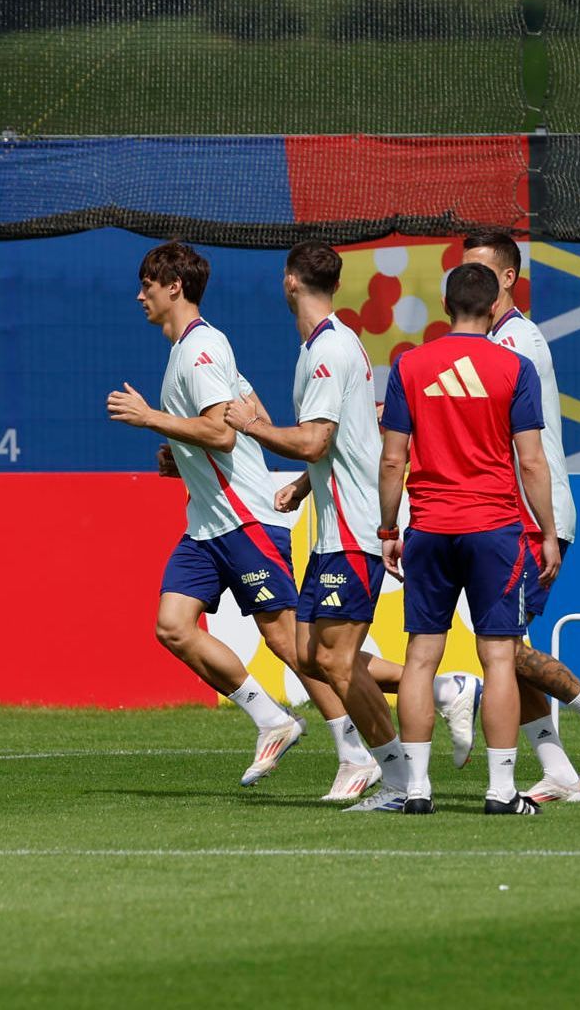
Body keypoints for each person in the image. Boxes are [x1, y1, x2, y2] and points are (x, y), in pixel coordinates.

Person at [107, 240, 335, 789]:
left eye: (147, 285)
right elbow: (245, 417)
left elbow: (222, 433)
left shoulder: (201, 347)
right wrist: (182, 458)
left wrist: (151, 418)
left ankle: (363, 747)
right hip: (209, 523)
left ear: (174, 287)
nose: (139, 296)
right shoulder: (190, 349)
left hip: (243, 518)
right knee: (173, 626)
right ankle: (273, 720)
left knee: (293, 644)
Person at [220, 240, 401, 805]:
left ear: (289, 281)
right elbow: (345, 439)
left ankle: (399, 777)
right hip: (331, 529)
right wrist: (302, 486)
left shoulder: (327, 350)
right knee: (308, 653)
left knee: (335, 661)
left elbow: (315, 440)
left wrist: (250, 425)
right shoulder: (327, 344)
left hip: (351, 529)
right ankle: (438, 696)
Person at [466, 231, 580, 803]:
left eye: (481, 271)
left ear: (508, 278)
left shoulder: (516, 342)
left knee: (503, 650)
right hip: (504, 512)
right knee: (504, 650)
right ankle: (558, 771)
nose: (469, 281)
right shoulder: (493, 340)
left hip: (528, 513)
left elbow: (502, 435)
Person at [378, 262, 560, 815]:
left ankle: (416, 790)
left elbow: (392, 459)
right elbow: (532, 461)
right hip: (494, 529)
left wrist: (388, 529)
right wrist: (548, 532)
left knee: (420, 657)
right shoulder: (515, 366)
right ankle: (501, 792)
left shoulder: (408, 364)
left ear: (445, 304)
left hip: (429, 528)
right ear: (496, 304)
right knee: (499, 658)